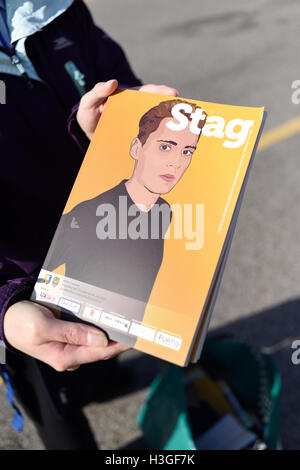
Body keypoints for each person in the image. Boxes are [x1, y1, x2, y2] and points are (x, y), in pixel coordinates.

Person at [0, 0, 177, 449]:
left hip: (99, 231)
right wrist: (4, 308)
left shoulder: (56, 10)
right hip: (23, 280)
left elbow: (118, 80)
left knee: (103, 340)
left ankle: (102, 382)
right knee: (54, 398)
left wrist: (119, 122)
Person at [40, 99, 207, 346]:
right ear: (137, 149)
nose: (177, 162)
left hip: (125, 338)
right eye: (165, 147)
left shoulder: (164, 211)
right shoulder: (87, 214)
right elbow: (41, 281)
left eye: (187, 152)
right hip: (76, 340)